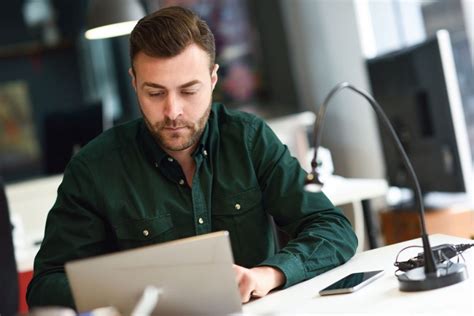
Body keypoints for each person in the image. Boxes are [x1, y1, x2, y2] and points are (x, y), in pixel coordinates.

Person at [27, 6, 357, 309]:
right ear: (134, 82)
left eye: (188, 90)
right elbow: (45, 285)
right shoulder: (94, 168)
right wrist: (134, 289)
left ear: (213, 80)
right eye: (155, 93)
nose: (173, 111)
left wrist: (268, 274)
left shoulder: (248, 138)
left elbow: (333, 228)